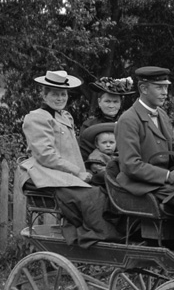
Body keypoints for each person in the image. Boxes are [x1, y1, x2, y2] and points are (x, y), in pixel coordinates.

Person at [20, 70, 122, 245]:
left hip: (63, 172)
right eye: (55, 94)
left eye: (63, 94)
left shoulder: (64, 116)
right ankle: (92, 235)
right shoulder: (37, 118)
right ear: (44, 96)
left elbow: (72, 152)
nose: (60, 98)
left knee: (105, 189)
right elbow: (46, 155)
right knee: (92, 197)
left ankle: (106, 232)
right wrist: (77, 172)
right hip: (45, 172)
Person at [113, 66, 174, 251]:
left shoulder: (161, 114)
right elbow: (130, 165)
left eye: (166, 87)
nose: (165, 92)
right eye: (159, 87)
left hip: (164, 182)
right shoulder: (128, 120)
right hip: (141, 185)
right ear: (143, 88)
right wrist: (167, 176)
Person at [80, 76, 136, 159]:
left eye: (115, 102)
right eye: (107, 101)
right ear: (99, 102)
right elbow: (83, 154)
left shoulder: (129, 124)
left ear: (121, 103)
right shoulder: (88, 126)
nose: (111, 106)